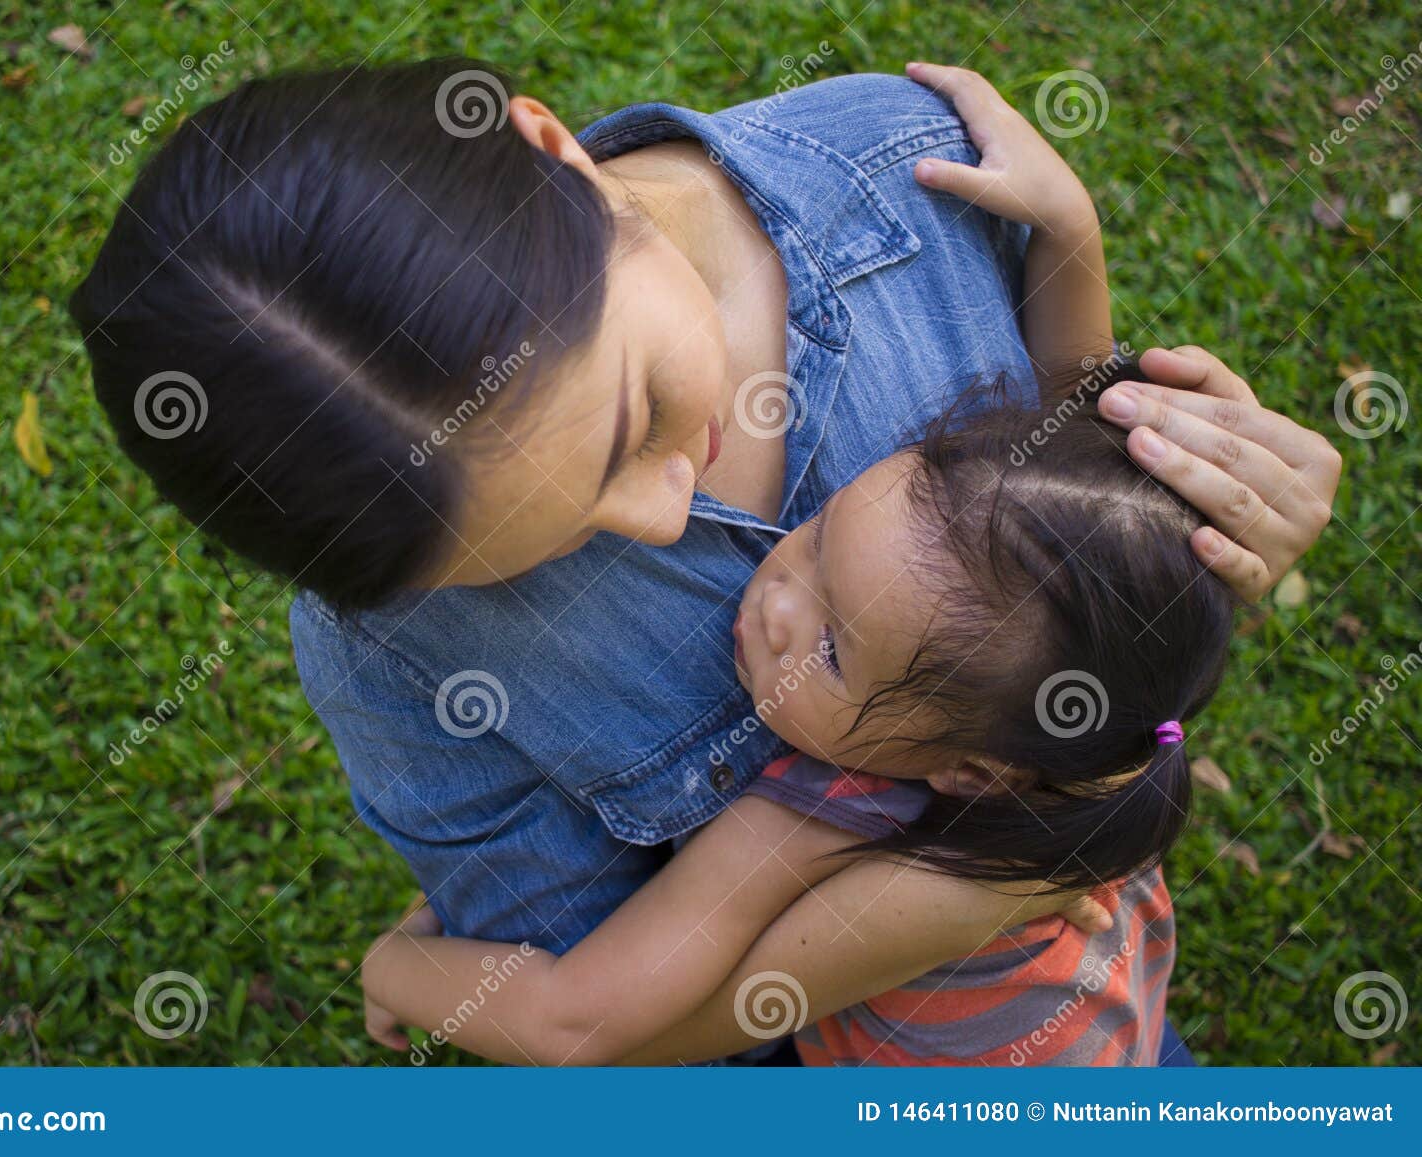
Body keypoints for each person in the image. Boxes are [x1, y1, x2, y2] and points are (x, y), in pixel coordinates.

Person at [69, 59, 1340, 970]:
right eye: (553, 543)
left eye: (632, 419)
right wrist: (1019, 867)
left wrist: (1204, 529)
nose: (667, 506)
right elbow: (610, 1015)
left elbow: (1069, 524)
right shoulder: (392, 652)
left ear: (551, 150)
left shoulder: (913, 178)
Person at [357, 64, 1222, 1066]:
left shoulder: (828, 825)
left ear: (968, 772)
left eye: (830, 645)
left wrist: (390, 968)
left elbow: (577, 1021)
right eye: (812, 542)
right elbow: (1066, 443)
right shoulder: (1077, 735)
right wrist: (1068, 234)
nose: (768, 601)